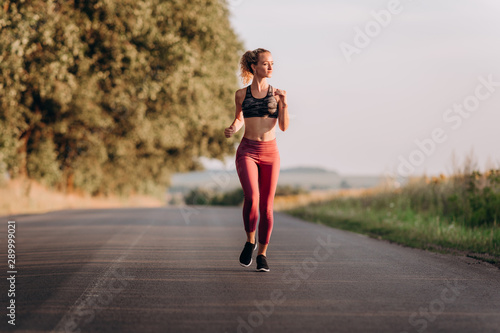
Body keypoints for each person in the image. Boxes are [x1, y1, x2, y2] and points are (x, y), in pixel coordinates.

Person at [224, 48, 289, 272]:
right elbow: (240, 118)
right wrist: (233, 127)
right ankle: (250, 241)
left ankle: (262, 254)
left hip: (271, 152)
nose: (270, 67)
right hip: (247, 150)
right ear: (254, 67)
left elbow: (283, 126)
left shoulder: (277, 93)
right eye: (265, 64)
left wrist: (284, 103)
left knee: (267, 207)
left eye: (272, 63)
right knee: (252, 197)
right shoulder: (241, 94)